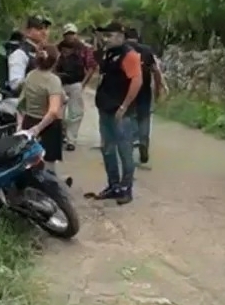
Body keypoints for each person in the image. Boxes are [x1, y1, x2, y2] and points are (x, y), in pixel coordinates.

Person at [92, 21, 142, 204]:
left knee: (124, 150)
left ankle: (126, 188)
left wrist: (124, 106)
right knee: (107, 149)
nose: (106, 39)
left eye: (109, 35)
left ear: (121, 36)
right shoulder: (109, 53)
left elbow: (136, 81)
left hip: (121, 112)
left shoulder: (129, 55)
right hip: (105, 109)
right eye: (105, 35)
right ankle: (113, 185)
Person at [17, 44, 65, 172]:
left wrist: (20, 126)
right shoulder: (53, 80)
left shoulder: (30, 75)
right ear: (56, 60)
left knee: (29, 163)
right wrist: (37, 129)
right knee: (48, 167)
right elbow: (53, 111)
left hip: (29, 121)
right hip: (48, 126)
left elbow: (20, 104)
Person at [124, 27, 167, 164]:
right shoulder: (147, 50)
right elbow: (156, 72)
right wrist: (158, 89)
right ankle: (143, 142)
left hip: (127, 90)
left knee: (129, 117)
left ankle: (130, 145)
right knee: (144, 118)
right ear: (138, 37)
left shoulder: (123, 50)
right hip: (144, 90)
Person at [56, 23, 96, 151]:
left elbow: (91, 67)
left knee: (75, 113)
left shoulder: (84, 49)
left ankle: (71, 140)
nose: (70, 36)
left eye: (72, 34)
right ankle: (61, 134)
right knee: (58, 113)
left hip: (76, 83)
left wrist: (83, 84)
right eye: (67, 34)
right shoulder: (58, 48)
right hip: (60, 85)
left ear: (76, 34)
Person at [1, 16, 49, 97]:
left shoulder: (43, 53)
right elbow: (15, 85)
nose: (44, 32)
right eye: (39, 28)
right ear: (28, 31)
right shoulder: (20, 54)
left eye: (46, 28)